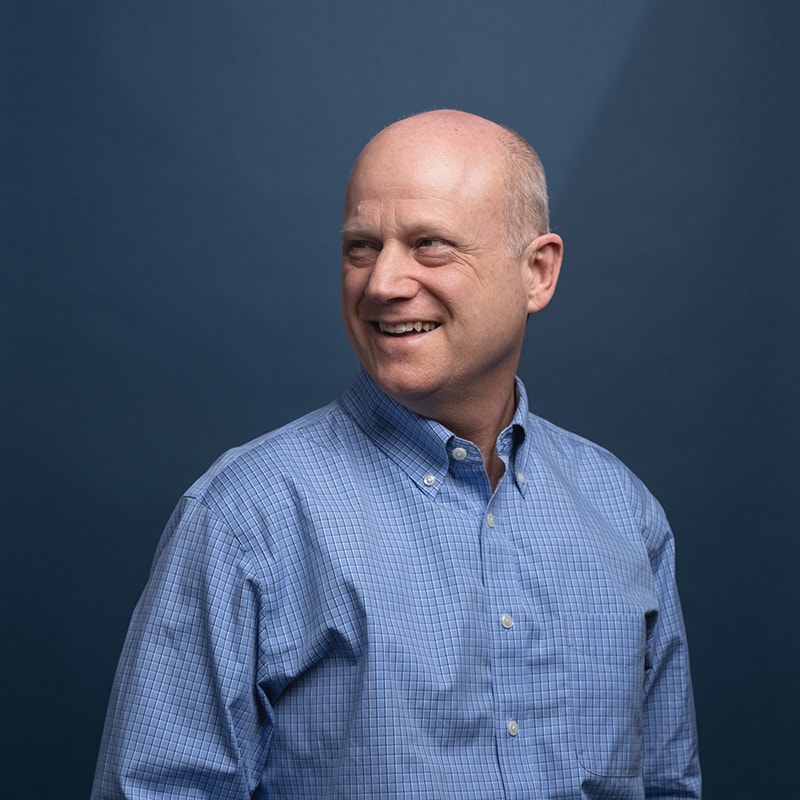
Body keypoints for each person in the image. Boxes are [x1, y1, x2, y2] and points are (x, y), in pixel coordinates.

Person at [91, 110, 701, 799]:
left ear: (537, 271)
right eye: (360, 247)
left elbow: (668, 787)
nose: (382, 284)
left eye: (429, 245)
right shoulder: (244, 516)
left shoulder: (624, 513)